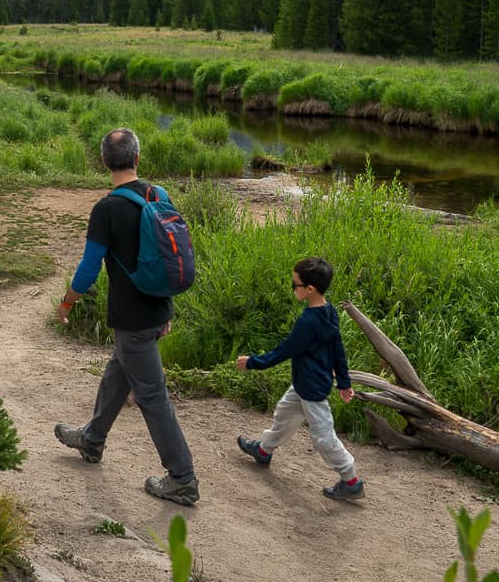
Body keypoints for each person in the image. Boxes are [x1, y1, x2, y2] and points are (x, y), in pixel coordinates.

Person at [53, 127, 199, 506]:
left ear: (104, 162)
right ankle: (92, 439)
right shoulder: (159, 194)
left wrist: (67, 303)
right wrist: (167, 309)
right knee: (117, 375)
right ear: (137, 159)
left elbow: (89, 269)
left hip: (131, 318)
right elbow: (172, 255)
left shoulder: (106, 209)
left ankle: (182, 478)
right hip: (156, 308)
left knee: (152, 397)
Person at [235, 257, 365, 501]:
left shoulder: (308, 322)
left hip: (312, 389)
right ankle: (264, 450)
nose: (293, 288)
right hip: (305, 384)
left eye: (295, 284)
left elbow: (285, 351)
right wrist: (344, 382)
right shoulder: (329, 312)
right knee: (284, 413)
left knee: (323, 437)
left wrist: (252, 362)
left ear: (310, 289)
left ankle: (351, 480)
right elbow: (338, 348)